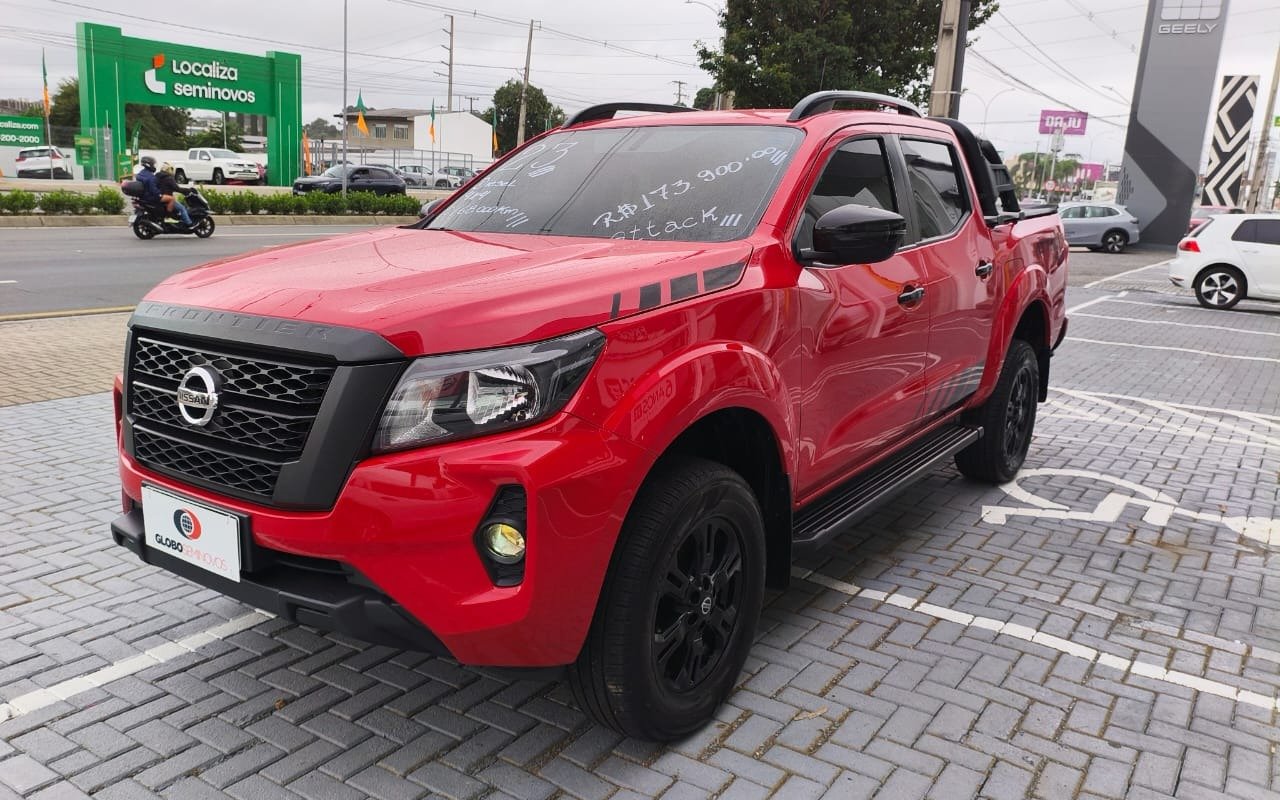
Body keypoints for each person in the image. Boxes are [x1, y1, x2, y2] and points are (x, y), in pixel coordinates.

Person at [156, 162, 193, 228]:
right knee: (182, 208)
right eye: (171, 169)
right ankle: (189, 223)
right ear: (168, 170)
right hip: (167, 198)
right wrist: (188, 190)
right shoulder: (169, 178)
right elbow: (177, 188)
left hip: (160, 196)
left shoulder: (158, 176)